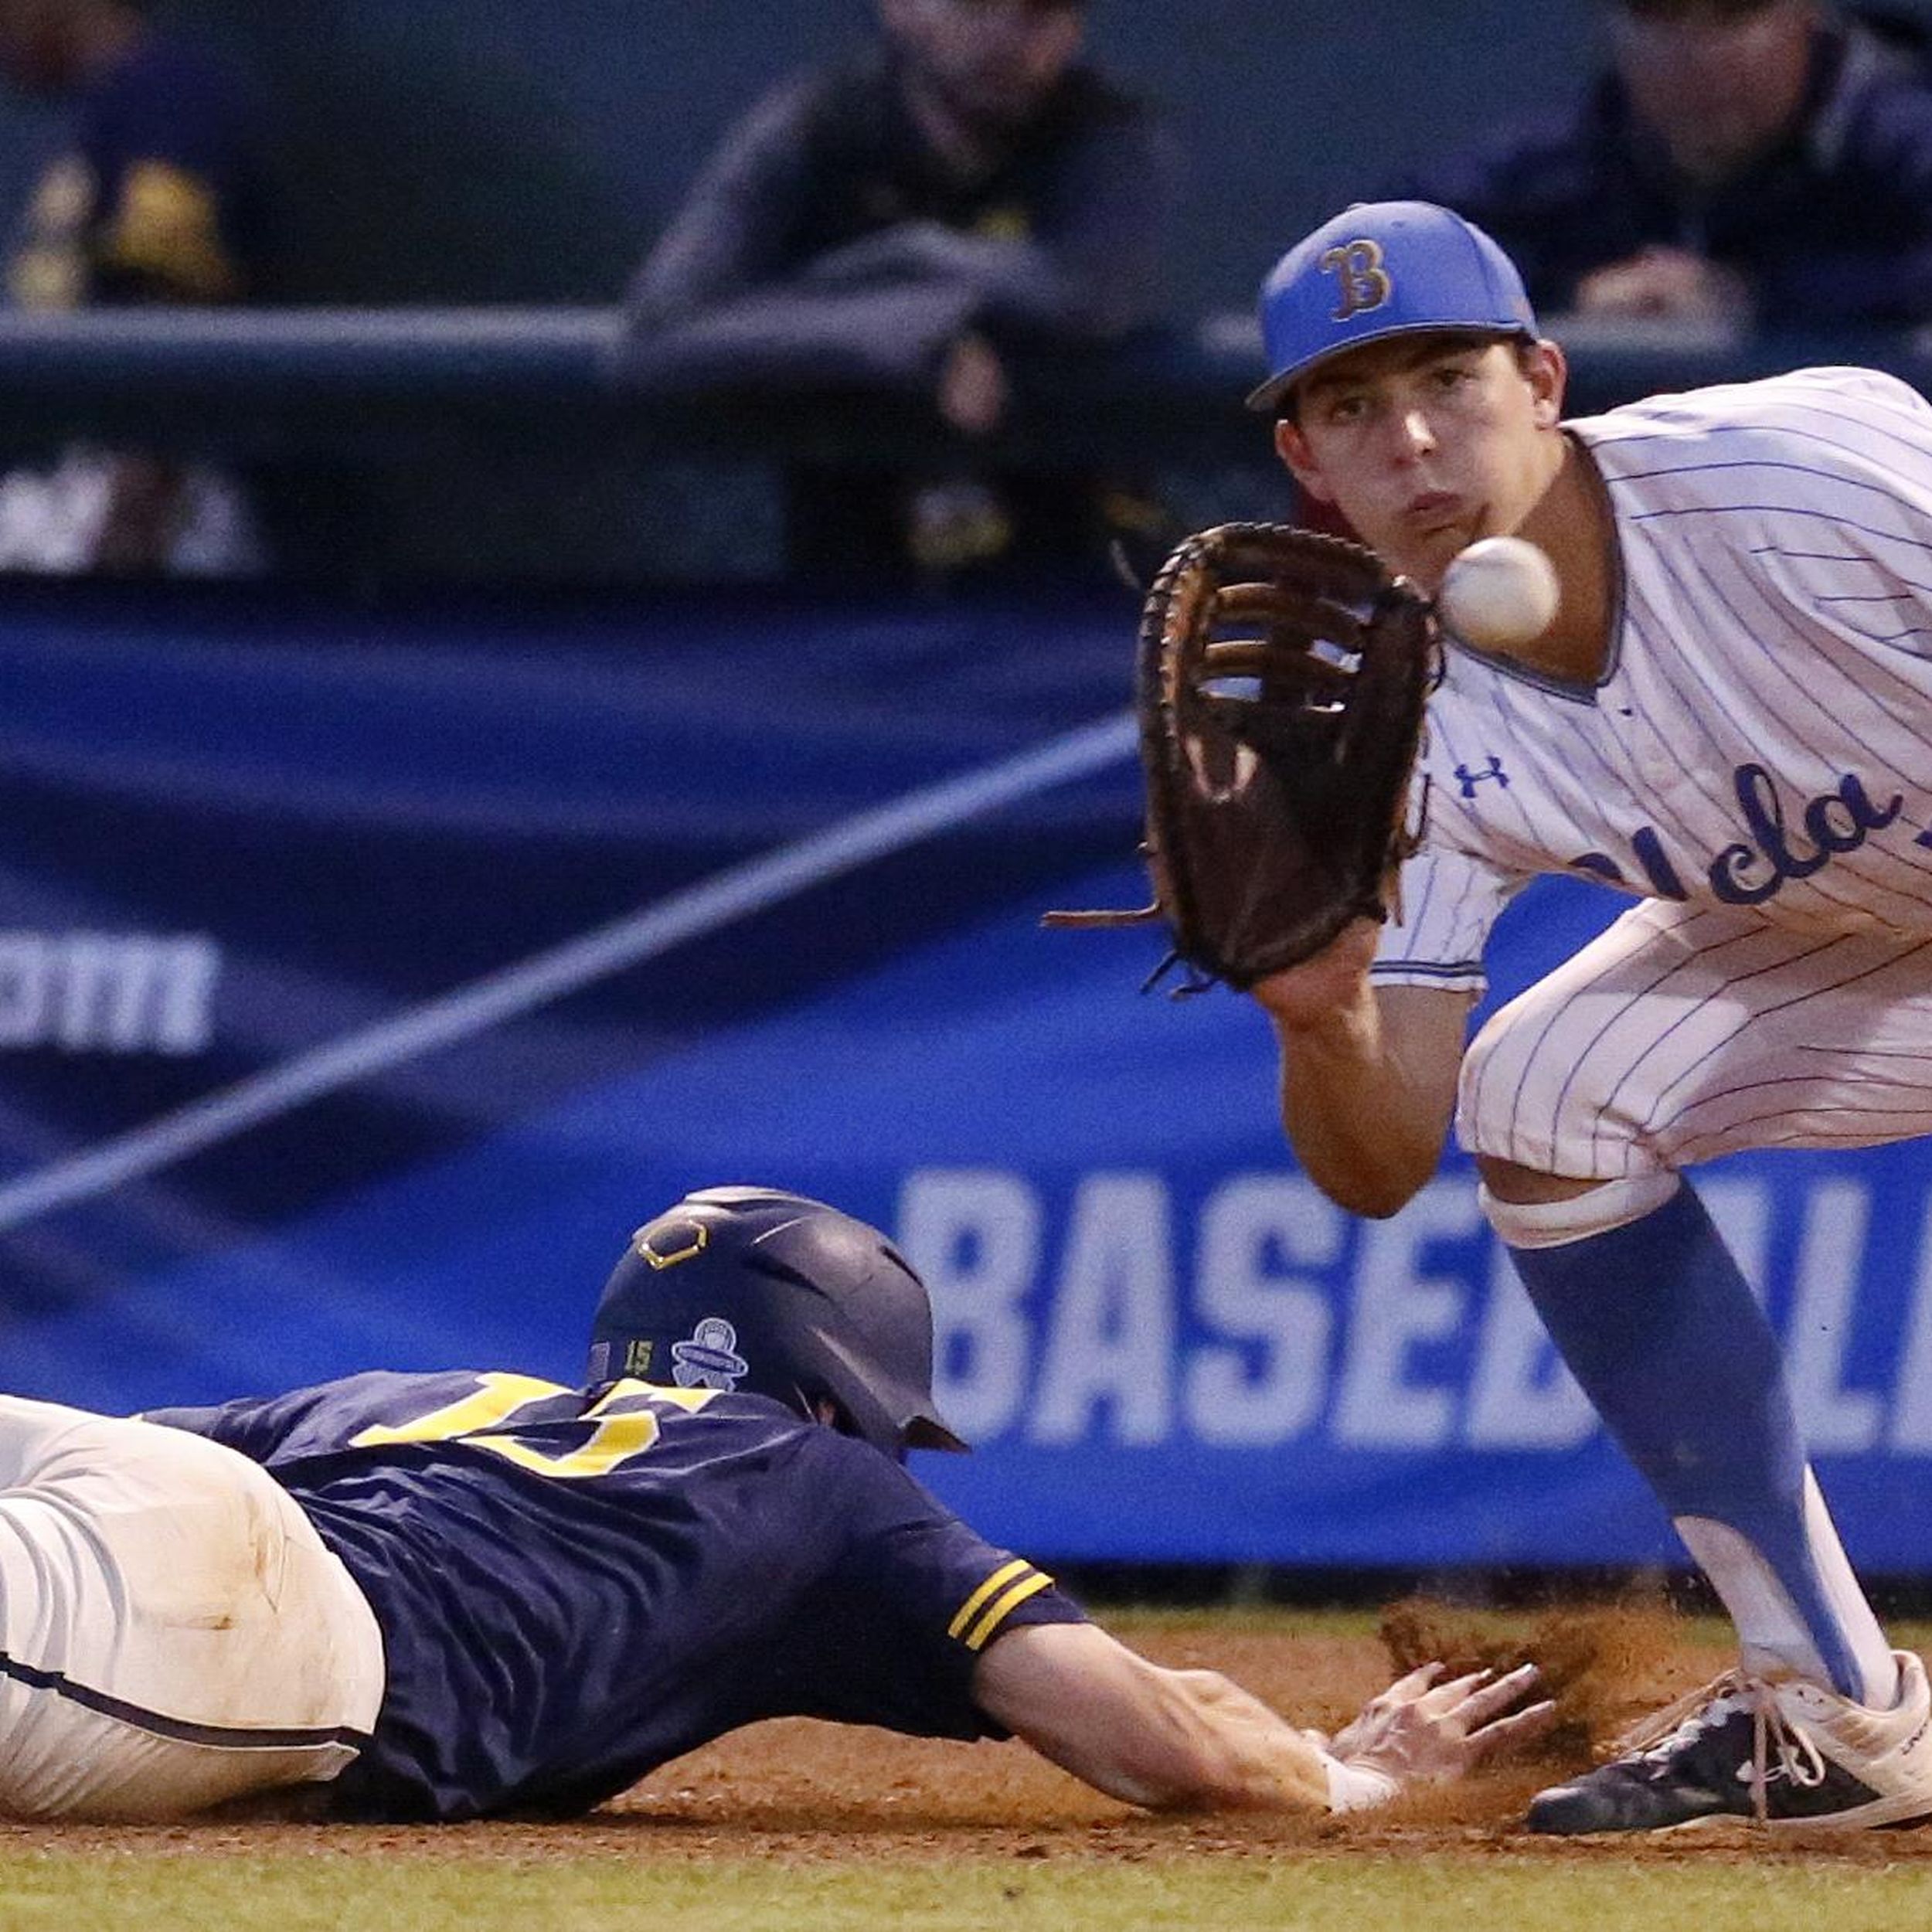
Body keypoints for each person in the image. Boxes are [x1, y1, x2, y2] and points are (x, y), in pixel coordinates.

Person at [1240, 199, 1932, 1835]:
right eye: (1351, 408)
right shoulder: (1399, 728)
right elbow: (1379, 1152)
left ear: (1540, 378)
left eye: (1446, 381)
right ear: (1306, 469)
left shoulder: (1799, 463)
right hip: (1874, 940)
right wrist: (1308, 1012)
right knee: (1543, 1093)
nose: (1411, 444)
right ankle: (1831, 1704)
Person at [0, 1185, 1548, 1823]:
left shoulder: (421, 1390)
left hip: (173, 1491)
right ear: (832, 1386)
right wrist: (1354, 1779)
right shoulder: (813, 1484)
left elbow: (129, 1472)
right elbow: (1153, 1731)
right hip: (270, 1630)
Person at [614, 0, 1179, 584]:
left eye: (1040, 14)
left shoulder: (1103, 128)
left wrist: (896, 264)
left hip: (1072, 589)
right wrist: (905, 341)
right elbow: (664, 332)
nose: (1011, 38)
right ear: (901, 8)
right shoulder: (822, 125)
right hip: (858, 589)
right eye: (978, 7)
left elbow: (1086, 292)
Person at [1402, 1, 1932, 328]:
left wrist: (1756, 296)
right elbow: (1397, 254)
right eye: (1661, 12)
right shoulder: (1583, 148)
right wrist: (1566, 295)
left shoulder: (1897, 134)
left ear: (1808, 14)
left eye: (1737, 11)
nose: (1701, 54)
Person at [0, 0, 269, 574]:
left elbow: (172, 321)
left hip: (129, 517)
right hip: (68, 506)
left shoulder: (162, 92)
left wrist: (128, 534)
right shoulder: (91, 112)